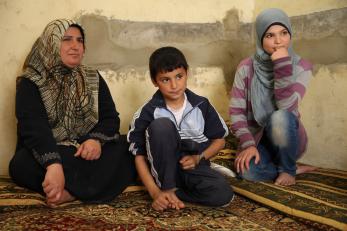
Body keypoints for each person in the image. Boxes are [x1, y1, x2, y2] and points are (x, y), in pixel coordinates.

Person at [9, 19, 136, 206]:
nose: (75, 46)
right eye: (66, 39)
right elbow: (34, 129)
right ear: (50, 43)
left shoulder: (92, 77)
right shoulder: (31, 82)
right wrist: (53, 164)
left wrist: (95, 140)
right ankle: (87, 188)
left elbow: (110, 118)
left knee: (130, 147)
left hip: (87, 150)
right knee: (20, 164)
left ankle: (70, 191)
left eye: (80, 40)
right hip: (53, 150)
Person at [127, 46, 233, 211]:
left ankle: (175, 194)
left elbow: (219, 141)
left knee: (223, 195)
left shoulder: (201, 105)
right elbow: (139, 157)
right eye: (165, 80)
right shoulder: (146, 113)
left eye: (179, 76)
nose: (174, 85)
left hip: (193, 166)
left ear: (187, 74)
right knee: (161, 126)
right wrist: (155, 193)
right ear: (154, 81)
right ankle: (166, 189)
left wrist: (199, 158)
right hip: (163, 172)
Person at [229, 8, 316, 186]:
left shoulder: (302, 67)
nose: (278, 41)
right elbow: (237, 113)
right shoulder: (246, 67)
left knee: (279, 117)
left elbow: (287, 108)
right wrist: (248, 145)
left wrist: (282, 65)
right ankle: (290, 167)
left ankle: (288, 169)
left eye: (284, 33)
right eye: (269, 35)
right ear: (260, 38)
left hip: (288, 137)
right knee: (245, 171)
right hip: (259, 139)